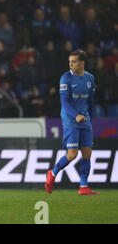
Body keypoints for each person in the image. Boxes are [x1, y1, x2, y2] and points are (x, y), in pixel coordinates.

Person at [45, 50, 99, 195]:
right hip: (70, 119)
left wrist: (90, 118)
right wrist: (76, 116)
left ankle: (83, 187)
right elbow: (65, 102)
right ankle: (52, 173)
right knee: (72, 155)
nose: (70, 64)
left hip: (85, 119)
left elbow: (90, 101)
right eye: (69, 61)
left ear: (82, 63)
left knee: (87, 152)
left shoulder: (90, 79)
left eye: (73, 61)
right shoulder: (65, 78)